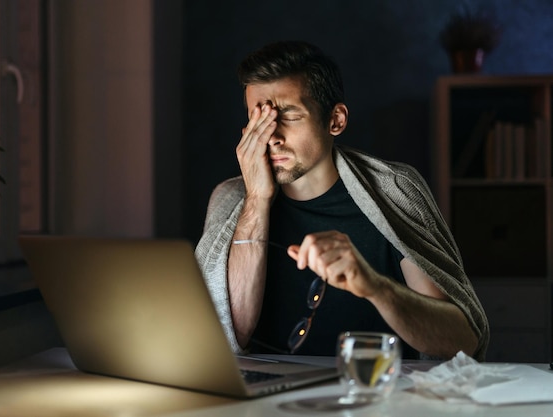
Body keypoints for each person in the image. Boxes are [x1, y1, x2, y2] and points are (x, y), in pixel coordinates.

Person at [195, 40, 489, 360]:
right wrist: (257, 198)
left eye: (289, 116)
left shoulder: (394, 191)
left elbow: (462, 343)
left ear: (335, 120)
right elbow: (225, 335)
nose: (272, 136)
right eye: (259, 121)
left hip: (374, 396)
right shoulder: (231, 201)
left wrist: (376, 287)